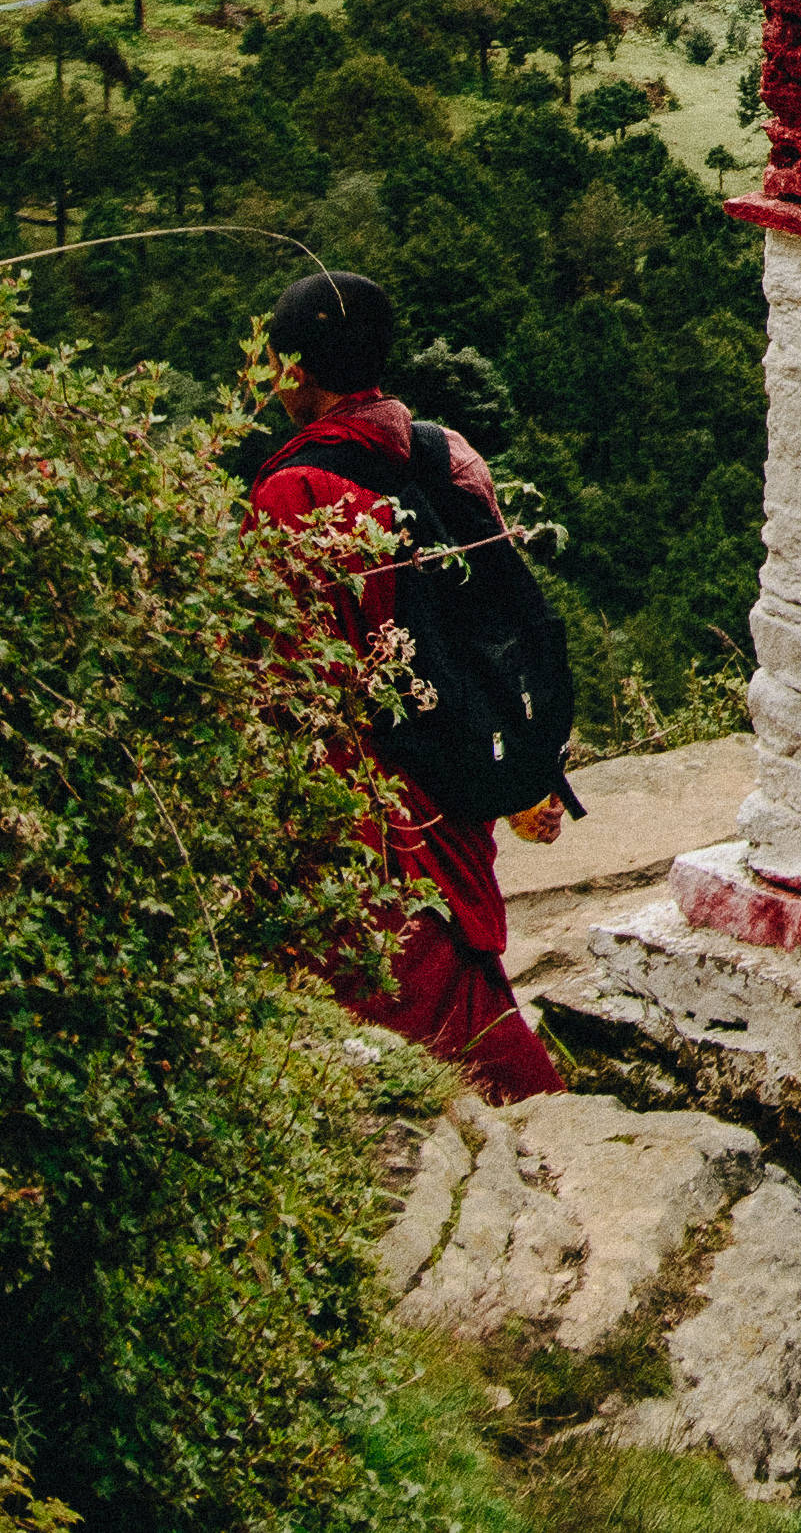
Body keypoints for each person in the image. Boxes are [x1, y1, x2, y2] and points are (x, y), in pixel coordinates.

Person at [241, 268, 568, 1104]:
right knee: (455, 971)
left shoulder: (296, 493)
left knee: (404, 983)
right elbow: (493, 614)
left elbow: (288, 677)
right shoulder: (446, 453)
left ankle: (528, 1126)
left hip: (368, 784)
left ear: (294, 371)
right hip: (455, 754)